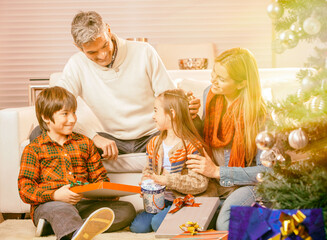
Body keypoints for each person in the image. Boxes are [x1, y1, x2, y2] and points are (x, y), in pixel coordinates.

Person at [46, 10, 201, 161]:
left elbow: (168, 95)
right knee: (42, 131)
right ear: (79, 47)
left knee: (196, 122)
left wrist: (185, 106)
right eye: (92, 53)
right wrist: (94, 137)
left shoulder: (144, 52)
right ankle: (62, 186)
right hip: (112, 141)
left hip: (156, 133)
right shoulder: (77, 64)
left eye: (105, 45)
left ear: (108, 29)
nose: (103, 55)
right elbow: (55, 108)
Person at [18, 86, 136, 240]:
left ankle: (60, 226)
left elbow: (100, 179)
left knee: (127, 210)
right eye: (65, 114)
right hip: (51, 204)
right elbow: (25, 189)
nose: (73, 119)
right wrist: (55, 195)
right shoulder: (34, 149)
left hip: (83, 204)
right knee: (62, 209)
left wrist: (106, 193)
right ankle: (71, 232)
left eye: (74, 112)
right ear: (46, 117)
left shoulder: (85, 143)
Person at [186, 48, 268, 231]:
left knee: (224, 225)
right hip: (216, 182)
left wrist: (217, 171)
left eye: (221, 79)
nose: (212, 80)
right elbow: (209, 136)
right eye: (213, 73)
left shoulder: (260, 117)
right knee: (192, 222)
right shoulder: (210, 94)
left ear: (241, 84)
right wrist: (193, 118)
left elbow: (266, 171)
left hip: (246, 183)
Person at [129, 89, 217, 233]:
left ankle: (200, 215)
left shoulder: (192, 145)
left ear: (172, 113)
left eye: (156, 111)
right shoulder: (154, 143)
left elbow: (199, 183)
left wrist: (166, 180)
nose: (153, 116)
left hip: (185, 200)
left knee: (158, 224)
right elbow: (149, 170)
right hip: (162, 200)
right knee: (138, 227)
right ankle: (167, 214)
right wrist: (147, 182)